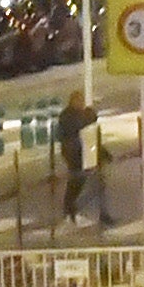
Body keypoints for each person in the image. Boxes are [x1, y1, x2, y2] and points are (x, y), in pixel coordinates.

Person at [56, 91, 102, 225]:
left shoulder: (78, 114)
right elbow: (78, 126)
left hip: (80, 151)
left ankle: (71, 209)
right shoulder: (68, 115)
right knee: (76, 180)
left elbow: (90, 121)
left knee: (80, 180)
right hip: (72, 152)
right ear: (73, 101)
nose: (81, 103)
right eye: (79, 101)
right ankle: (69, 209)